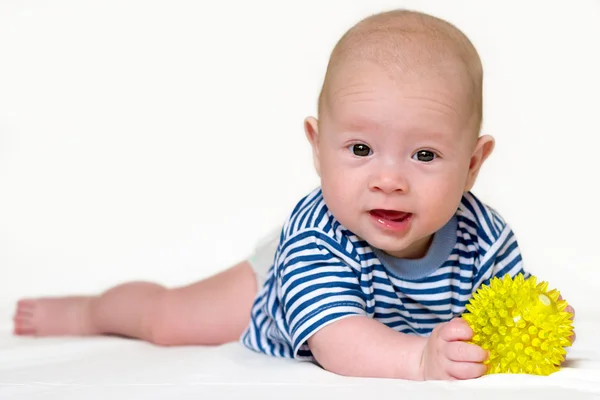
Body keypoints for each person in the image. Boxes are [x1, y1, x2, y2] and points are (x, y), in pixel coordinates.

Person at [12, 9, 575, 380]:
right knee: (167, 320)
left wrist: (535, 323)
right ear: (316, 144)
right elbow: (337, 342)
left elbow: (500, 310)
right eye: (359, 150)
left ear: (474, 164)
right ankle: (88, 310)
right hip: (279, 285)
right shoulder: (316, 237)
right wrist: (417, 358)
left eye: (425, 156)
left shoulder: (486, 235)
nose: (390, 180)